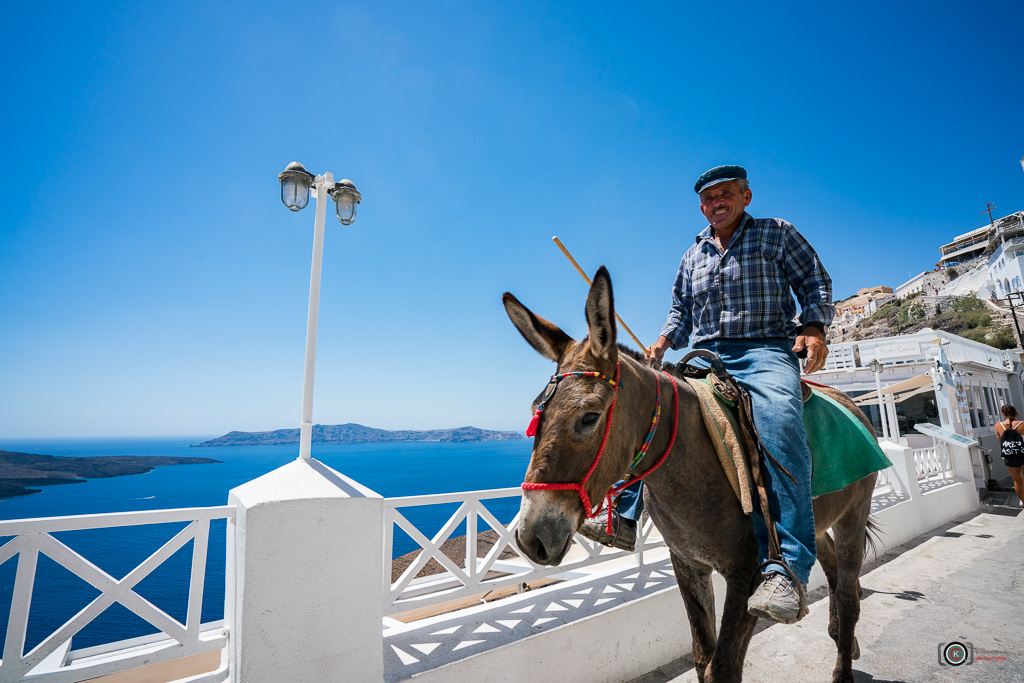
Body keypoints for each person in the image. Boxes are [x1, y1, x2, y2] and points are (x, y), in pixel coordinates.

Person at [583, 164, 833, 625]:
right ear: (701, 206)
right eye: (707, 198)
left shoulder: (777, 234)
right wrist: (661, 343)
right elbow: (680, 309)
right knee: (648, 406)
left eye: (725, 194)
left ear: (746, 196)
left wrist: (814, 327)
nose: (715, 203)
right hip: (703, 355)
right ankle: (622, 513)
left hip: (764, 350)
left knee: (778, 420)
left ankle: (788, 569)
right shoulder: (692, 254)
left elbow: (815, 283)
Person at [994, 404, 1024, 505]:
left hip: (1010, 456)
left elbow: (1000, 442)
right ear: (1016, 413)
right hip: (1023, 453)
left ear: (1002, 414)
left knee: (1017, 481)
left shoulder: (998, 426)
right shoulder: (1022, 424)